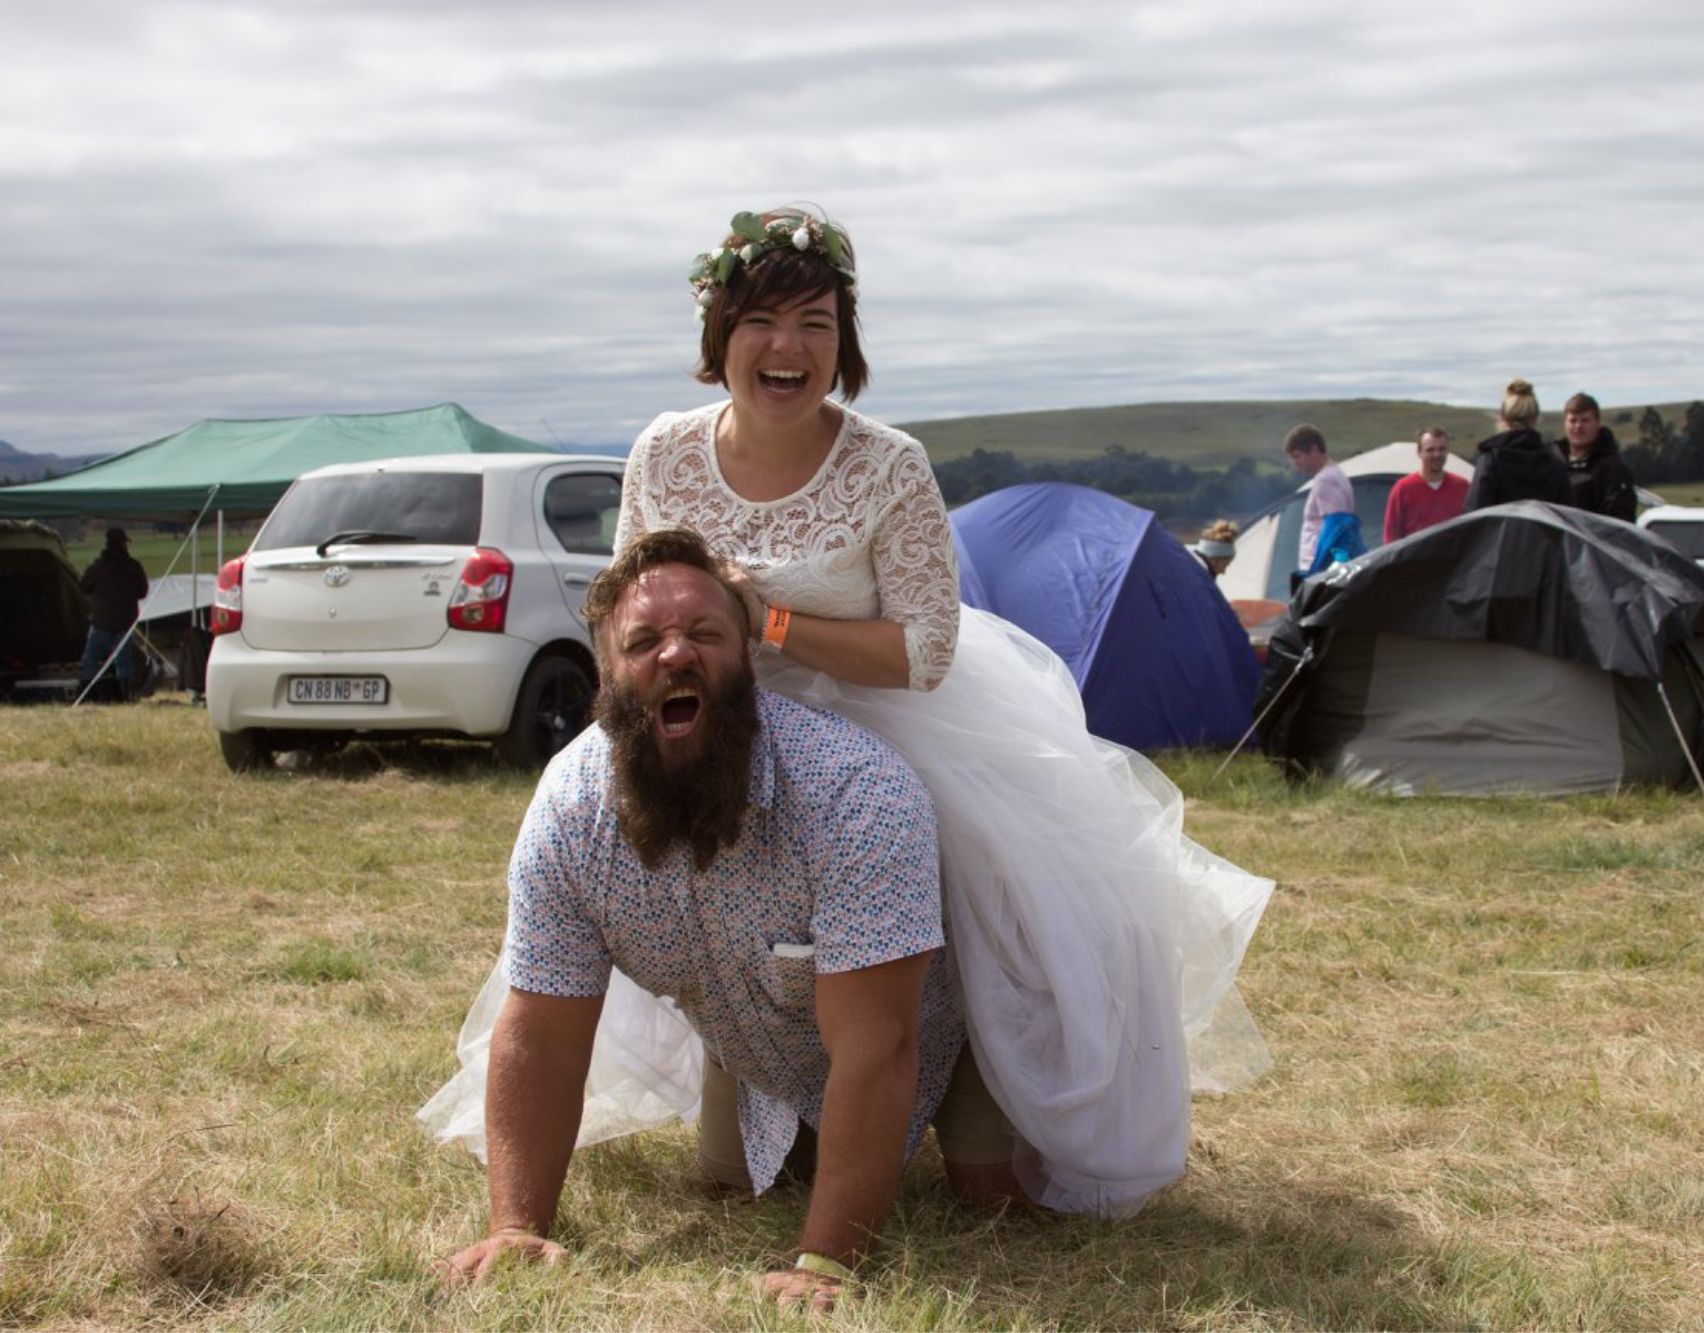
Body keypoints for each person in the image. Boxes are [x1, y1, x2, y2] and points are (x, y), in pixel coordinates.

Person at [424, 207, 1272, 1235]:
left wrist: (768, 617)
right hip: (711, 721)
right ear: (718, 337)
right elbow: (634, 602)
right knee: (712, 995)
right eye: (761, 321)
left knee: (985, 908)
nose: (788, 347)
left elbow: (924, 650)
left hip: (882, 727)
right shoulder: (662, 450)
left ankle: (980, 1126)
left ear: (845, 340)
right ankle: (764, 1097)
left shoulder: (889, 462)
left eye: (815, 322)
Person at [443, 529, 1021, 1307]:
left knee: (996, 1200)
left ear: (749, 659)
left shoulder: (856, 791)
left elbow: (881, 1045)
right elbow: (541, 1029)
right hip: (763, 1048)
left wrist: (826, 1262)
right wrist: (517, 1226)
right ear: (604, 675)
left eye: (705, 634)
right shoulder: (569, 810)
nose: (675, 655)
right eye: (642, 640)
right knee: (728, 1182)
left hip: (935, 1027)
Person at [1466, 379, 1571, 511]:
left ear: (1503, 419)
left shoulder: (1490, 462)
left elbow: (1475, 515)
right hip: (1542, 531)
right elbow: (1566, 516)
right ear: (1536, 418)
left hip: (1500, 532)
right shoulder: (1555, 463)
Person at [78, 527, 149, 701]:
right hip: (126, 622)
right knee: (123, 662)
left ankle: (89, 696)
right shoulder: (133, 566)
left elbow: (83, 586)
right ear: (123, 544)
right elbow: (143, 592)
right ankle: (124, 695)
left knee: (91, 660)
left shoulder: (97, 565)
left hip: (101, 621)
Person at [1284, 424, 1354, 573]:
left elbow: (1335, 528)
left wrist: (1317, 569)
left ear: (1314, 450)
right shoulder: (1335, 473)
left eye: (1297, 456)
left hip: (1320, 568)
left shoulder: (1325, 480)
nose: (1295, 463)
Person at [1382, 427, 1469, 542]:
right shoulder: (1403, 489)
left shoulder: (1462, 487)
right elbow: (1390, 537)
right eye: (1430, 450)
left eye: (1441, 449)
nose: (1437, 454)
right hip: (1415, 559)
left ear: (1448, 451)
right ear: (1419, 452)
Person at [1560, 393, 1637, 521]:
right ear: (1565, 424)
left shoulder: (1612, 469)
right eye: (1573, 421)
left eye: (1585, 420)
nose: (1578, 427)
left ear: (1597, 423)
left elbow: (1619, 522)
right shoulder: (1553, 463)